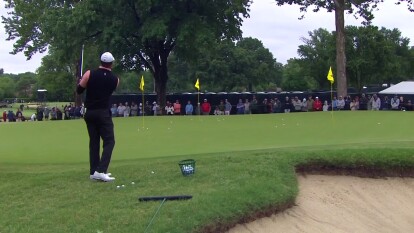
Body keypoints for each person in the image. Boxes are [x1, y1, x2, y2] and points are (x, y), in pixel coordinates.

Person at [77, 52, 119, 182]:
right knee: (109, 141)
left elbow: (79, 90)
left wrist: (80, 81)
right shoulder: (115, 79)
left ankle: (94, 171)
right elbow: (109, 90)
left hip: (90, 112)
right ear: (112, 63)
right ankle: (101, 171)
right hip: (103, 112)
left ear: (100, 61)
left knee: (94, 142)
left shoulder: (89, 73)